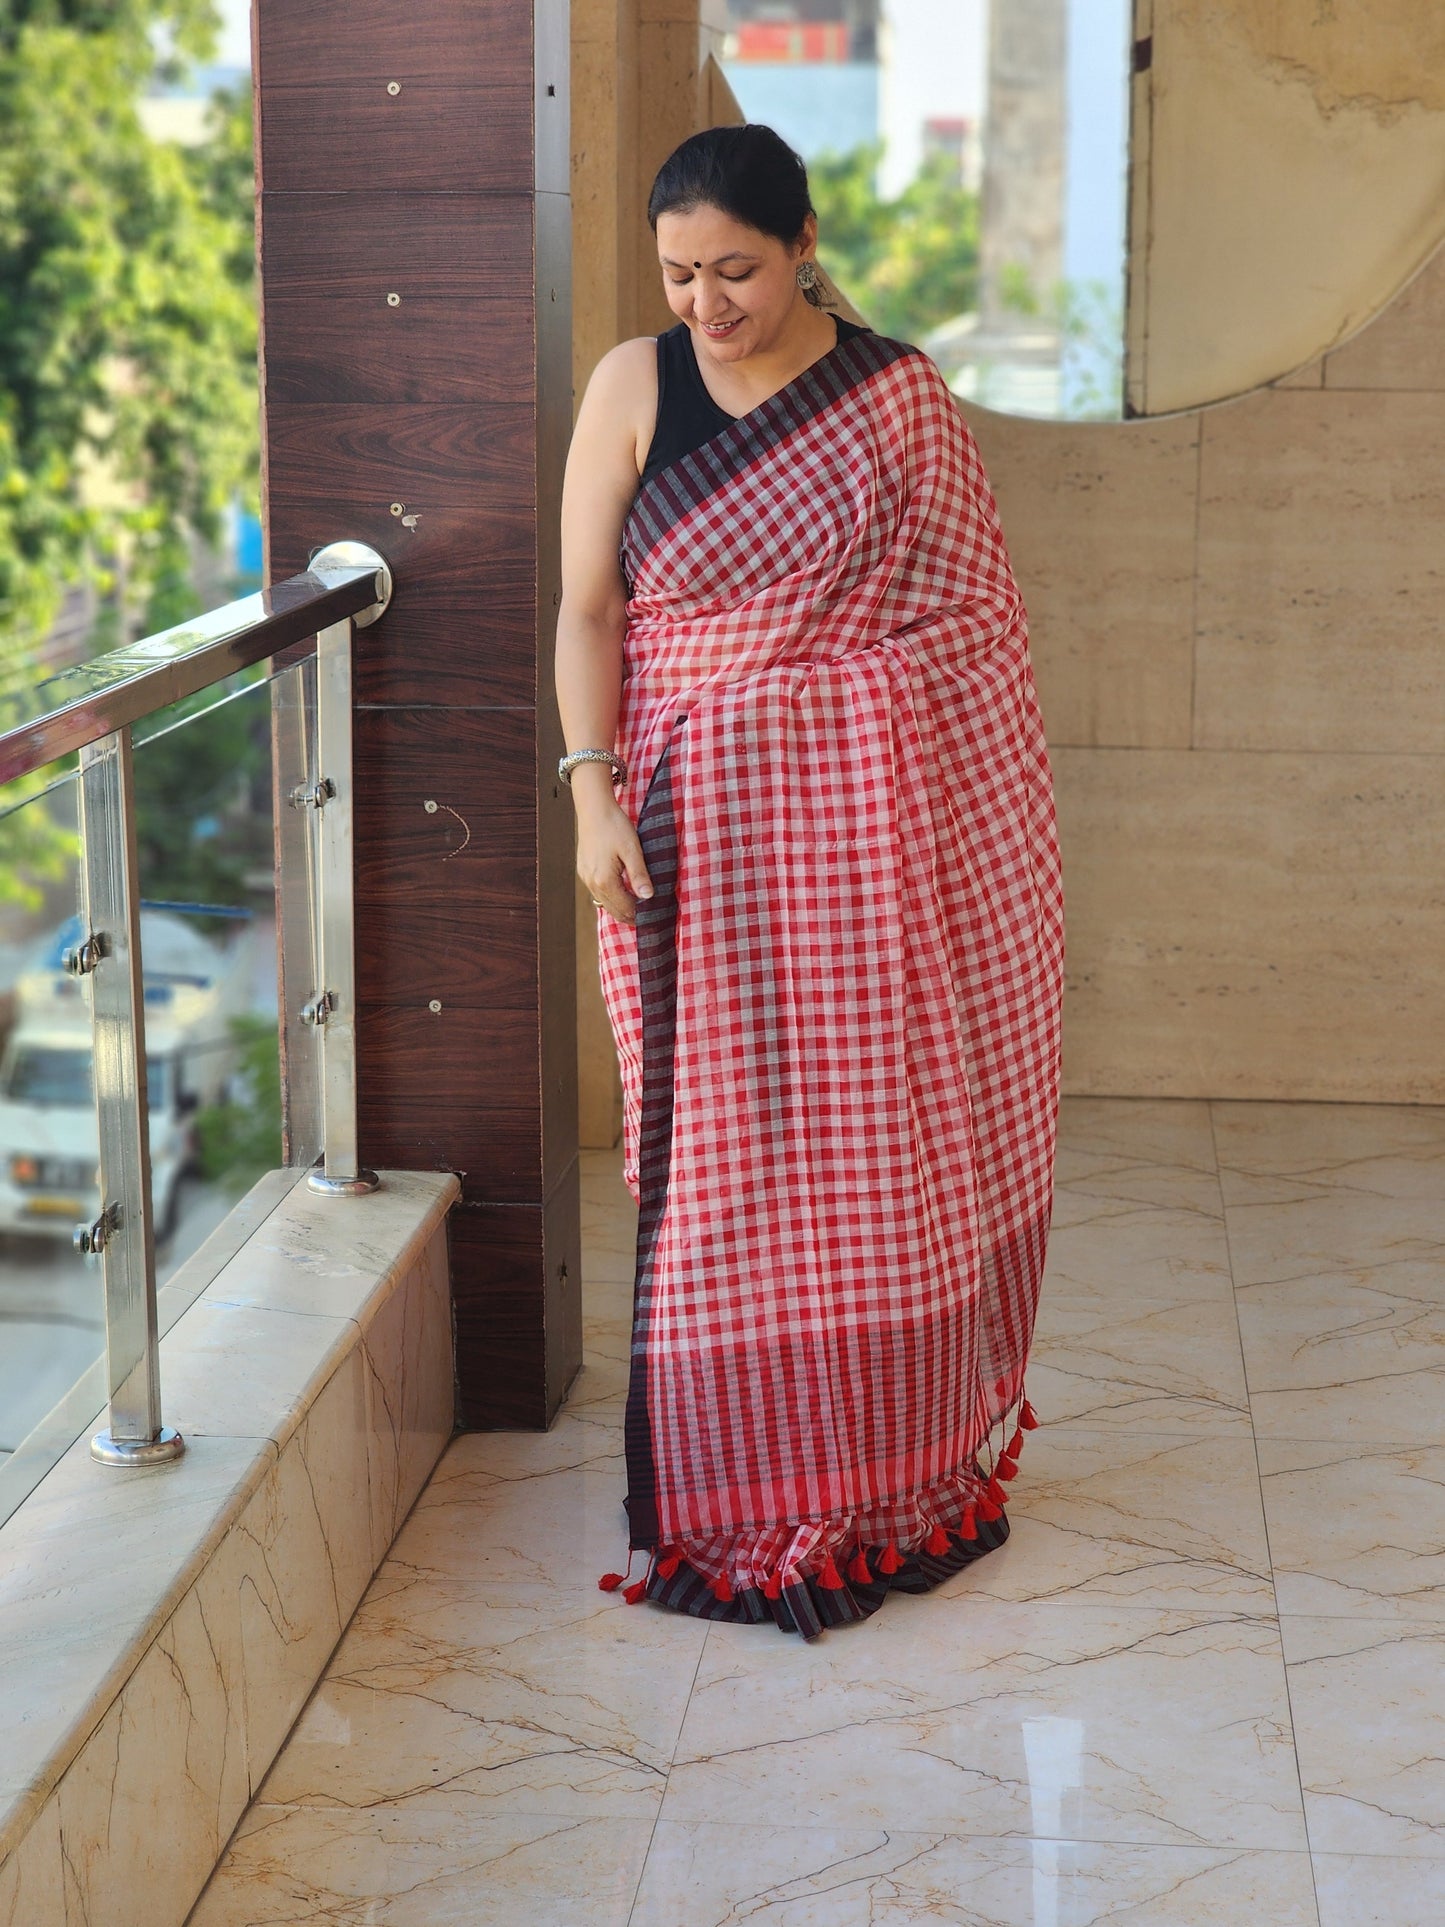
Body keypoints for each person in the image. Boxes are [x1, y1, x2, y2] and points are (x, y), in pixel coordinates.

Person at [555, 123, 1063, 1638]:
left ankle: (885, 1486)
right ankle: (735, 1494)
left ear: (802, 245)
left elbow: (970, 634)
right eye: (677, 274)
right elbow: (589, 610)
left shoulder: (894, 400)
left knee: (868, 1152)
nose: (705, 302)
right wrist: (586, 790)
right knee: (712, 1171)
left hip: (868, 860)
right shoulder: (632, 385)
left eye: (735, 271)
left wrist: (815, 707)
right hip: (683, 845)